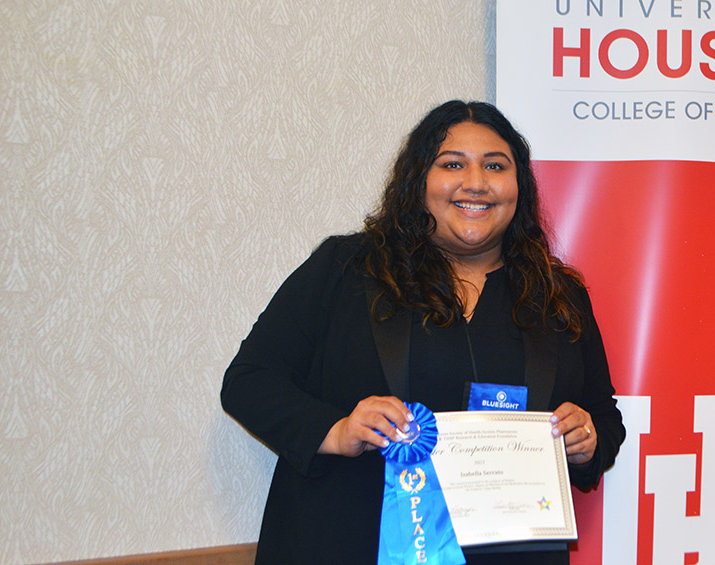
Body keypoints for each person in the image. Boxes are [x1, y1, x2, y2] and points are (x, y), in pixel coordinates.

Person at [221, 100, 625, 564]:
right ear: (418, 181)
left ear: (519, 188)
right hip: (350, 544)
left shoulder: (559, 297)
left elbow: (603, 415)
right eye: (452, 164)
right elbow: (249, 381)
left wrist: (587, 438)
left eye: (495, 166)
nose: (476, 183)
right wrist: (336, 431)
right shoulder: (347, 269)